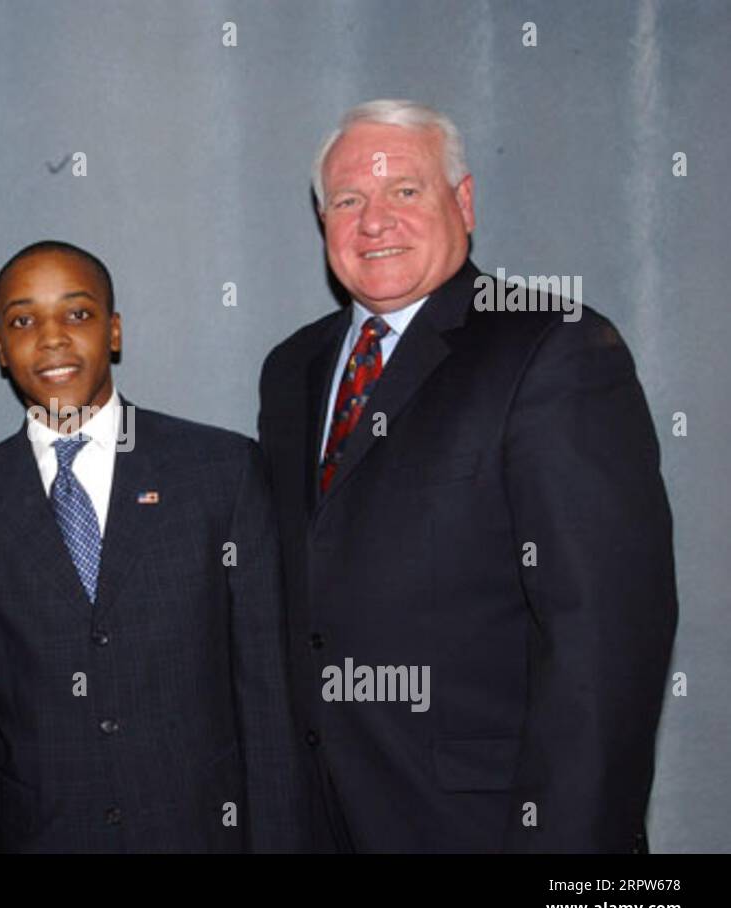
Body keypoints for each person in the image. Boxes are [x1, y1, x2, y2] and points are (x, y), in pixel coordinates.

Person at [258, 100, 677, 852]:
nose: (374, 220)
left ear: (465, 201)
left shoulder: (557, 349)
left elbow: (605, 648)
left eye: (405, 191)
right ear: (322, 221)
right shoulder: (291, 372)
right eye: (348, 200)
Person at [0, 241, 305, 852]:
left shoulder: (220, 474)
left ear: (113, 331)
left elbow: (269, 703)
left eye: (77, 314)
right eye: (23, 321)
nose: (51, 339)